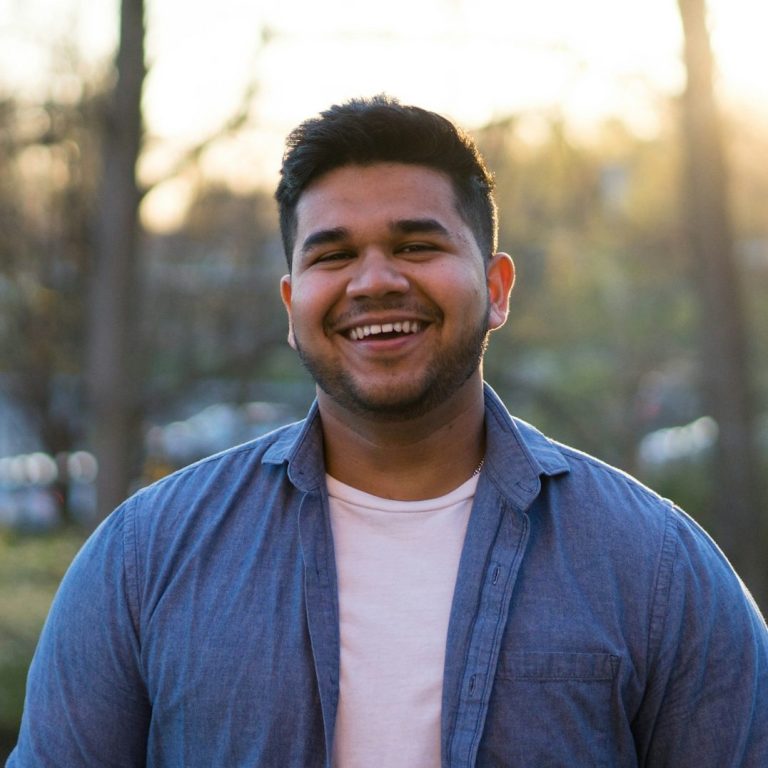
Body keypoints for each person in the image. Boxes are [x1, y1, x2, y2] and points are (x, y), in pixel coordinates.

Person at [8, 95, 768, 767]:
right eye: (334, 254)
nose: (374, 281)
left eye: (416, 246)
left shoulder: (655, 567)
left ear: (496, 288)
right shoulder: (146, 559)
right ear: (292, 304)